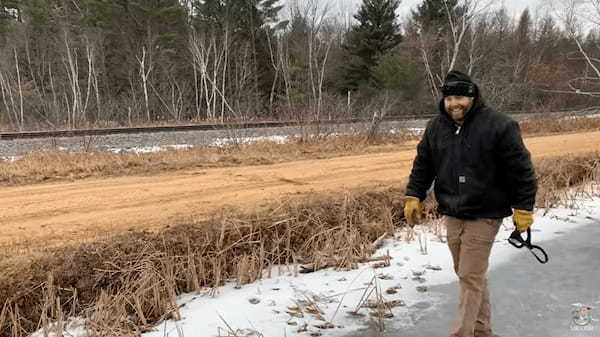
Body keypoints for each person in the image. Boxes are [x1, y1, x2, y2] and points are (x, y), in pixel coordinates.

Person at [403, 70, 537, 337]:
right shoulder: (436, 127)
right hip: (452, 210)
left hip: (486, 212)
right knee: (467, 275)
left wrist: (523, 207)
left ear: (473, 97)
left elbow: (522, 170)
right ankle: (482, 330)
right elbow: (423, 165)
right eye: (450, 97)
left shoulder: (499, 125)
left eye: (461, 97)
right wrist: (413, 195)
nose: (455, 103)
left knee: (469, 276)